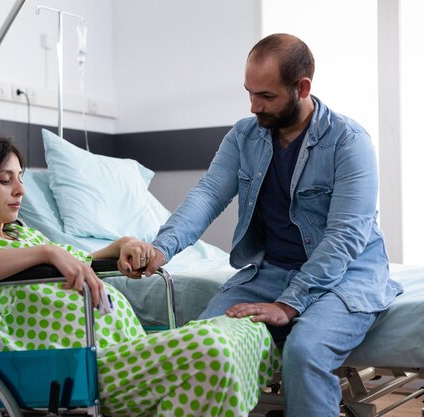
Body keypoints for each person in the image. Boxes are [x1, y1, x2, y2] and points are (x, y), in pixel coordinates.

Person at [121, 33, 403, 417]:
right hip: (272, 271)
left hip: (347, 275)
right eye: (250, 93)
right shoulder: (244, 135)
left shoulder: (349, 142)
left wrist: (289, 304)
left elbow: (345, 236)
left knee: (304, 352)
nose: (254, 106)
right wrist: (161, 248)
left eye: (266, 97)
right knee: (200, 342)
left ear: (302, 87)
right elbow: (207, 195)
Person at [0, 133, 279, 417]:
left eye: (20, 178)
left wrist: (121, 245)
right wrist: (49, 251)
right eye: (6, 181)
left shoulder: (20, 235)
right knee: (209, 350)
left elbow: (81, 261)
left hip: (122, 348)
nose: (20, 189)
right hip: (70, 368)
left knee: (244, 327)